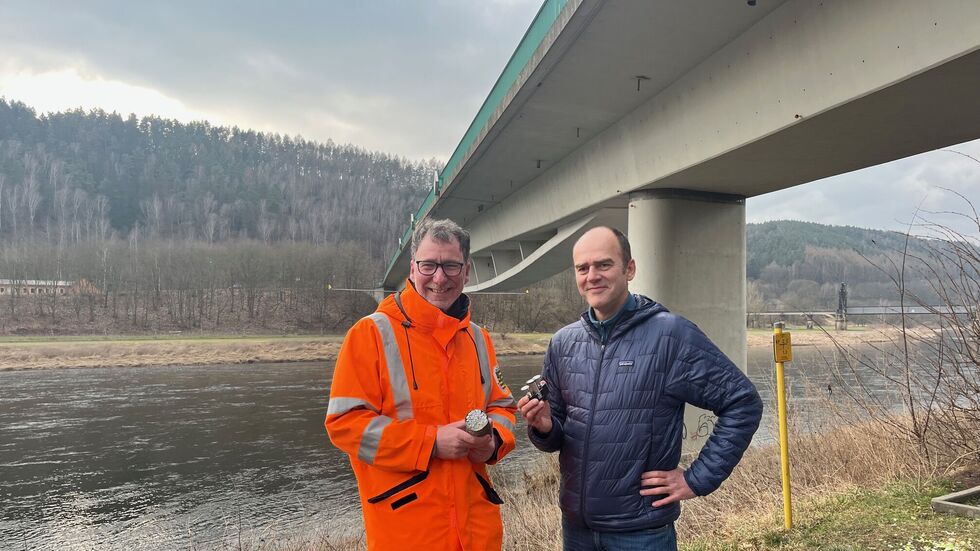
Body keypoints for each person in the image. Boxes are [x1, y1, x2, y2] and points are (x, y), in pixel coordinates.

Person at [518, 226, 763, 551]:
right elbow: (557, 436)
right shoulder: (563, 343)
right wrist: (544, 426)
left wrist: (696, 478)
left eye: (604, 265)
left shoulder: (671, 336)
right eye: (583, 268)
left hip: (641, 534)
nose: (592, 276)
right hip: (577, 531)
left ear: (629, 269)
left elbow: (742, 403)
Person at [326, 218, 518, 551]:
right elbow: (344, 424)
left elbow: (501, 407)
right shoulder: (370, 334)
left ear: (467, 271)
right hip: (407, 534)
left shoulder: (478, 339)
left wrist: (494, 442)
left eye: (450, 266)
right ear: (412, 269)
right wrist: (430, 442)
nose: (439, 278)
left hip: (477, 533)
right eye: (428, 265)